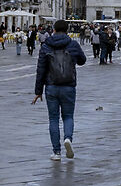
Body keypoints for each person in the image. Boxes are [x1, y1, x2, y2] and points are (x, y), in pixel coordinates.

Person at [35, 21, 88, 160]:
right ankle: (68, 139)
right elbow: (83, 60)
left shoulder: (46, 45)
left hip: (51, 86)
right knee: (68, 116)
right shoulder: (72, 44)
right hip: (69, 86)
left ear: (53, 29)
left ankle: (56, 152)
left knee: (53, 119)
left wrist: (38, 91)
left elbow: (41, 69)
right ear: (67, 29)